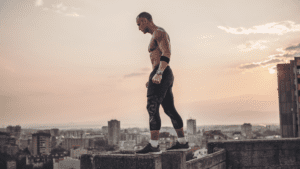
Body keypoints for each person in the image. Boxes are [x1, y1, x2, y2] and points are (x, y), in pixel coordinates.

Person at [135, 12, 190, 154]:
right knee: (169, 109)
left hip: (163, 71)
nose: (139, 28)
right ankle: (182, 142)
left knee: (152, 106)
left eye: (139, 24)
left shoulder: (159, 33)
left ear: (145, 20)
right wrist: (152, 77)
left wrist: (159, 73)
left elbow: (166, 53)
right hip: (161, 72)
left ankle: (153, 145)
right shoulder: (155, 35)